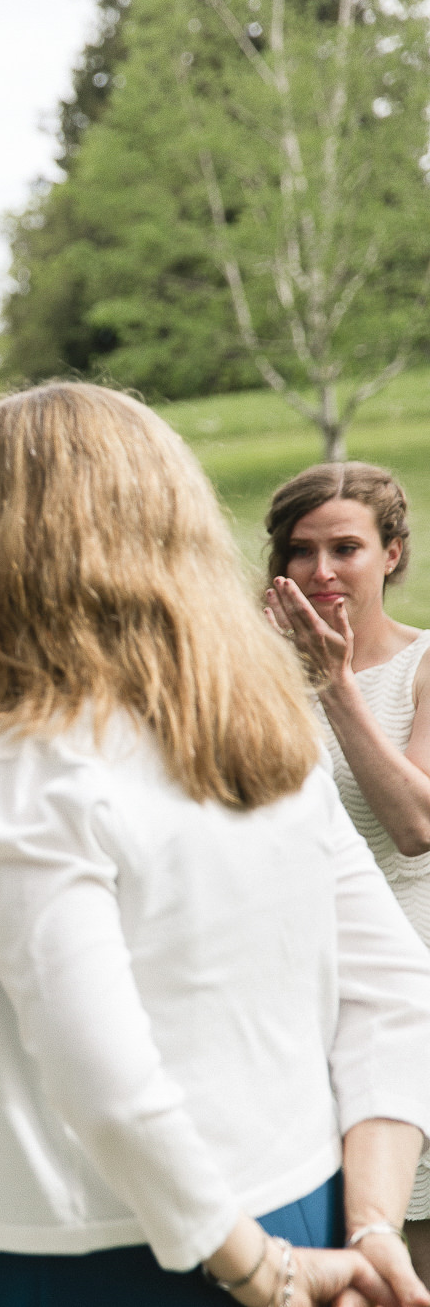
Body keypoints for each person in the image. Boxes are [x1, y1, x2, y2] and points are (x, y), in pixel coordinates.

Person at [0, 383, 430, 1307]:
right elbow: (397, 986)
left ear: (24, 553)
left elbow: (105, 1076)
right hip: (305, 1216)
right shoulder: (267, 737)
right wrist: (372, 1228)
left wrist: (265, 1274)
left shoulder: (19, 769)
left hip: (103, 1254)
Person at [263, 463, 430, 1273]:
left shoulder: (425, 665)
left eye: (346, 547)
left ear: (392, 553)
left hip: (408, 991)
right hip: (295, 1005)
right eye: (301, 550)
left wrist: (334, 685)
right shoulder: (254, 681)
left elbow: (417, 825)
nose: (321, 570)